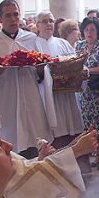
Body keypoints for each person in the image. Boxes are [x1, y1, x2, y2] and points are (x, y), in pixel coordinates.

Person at [0, 0, 53, 158]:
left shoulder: (31, 39)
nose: (13, 19)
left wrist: (40, 70)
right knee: (9, 139)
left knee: (35, 139)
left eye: (16, 14)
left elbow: (43, 71)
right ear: (0, 19)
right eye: (8, 16)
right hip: (6, 98)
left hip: (30, 95)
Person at [34, 11, 84, 149]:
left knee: (72, 127)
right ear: (37, 25)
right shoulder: (34, 45)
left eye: (51, 21)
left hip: (68, 93)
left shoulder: (63, 43)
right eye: (44, 21)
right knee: (55, 128)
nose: (49, 24)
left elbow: (76, 64)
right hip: (47, 94)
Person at [76, 17, 99, 168]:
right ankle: (96, 153)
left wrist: (86, 70)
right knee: (89, 124)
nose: (89, 33)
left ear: (98, 31)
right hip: (84, 91)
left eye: (92, 30)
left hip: (98, 90)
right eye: (87, 30)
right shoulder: (80, 46)